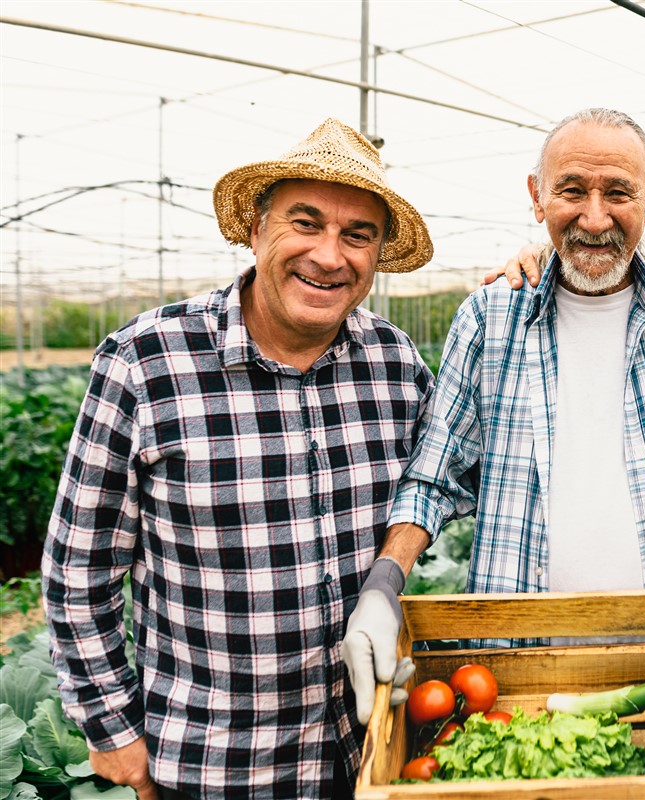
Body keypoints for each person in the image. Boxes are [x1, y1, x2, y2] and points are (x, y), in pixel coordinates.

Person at [338, 107, 645, 696]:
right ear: (537, 197)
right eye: (572, 190)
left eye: (619, 192)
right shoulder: (490, 321)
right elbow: (433, 478)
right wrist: (386, 582)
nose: (595, 218)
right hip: (517, 671)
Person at [42, 119, 436, 799]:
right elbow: (80, 570)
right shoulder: (147, 360)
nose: (329, 255)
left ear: (376, 255)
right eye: (304, 223)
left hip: (370, 753)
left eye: (357, 235)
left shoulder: (395, 364)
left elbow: (441, 481)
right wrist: (112, 731)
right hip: (218, 767)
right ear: (256, 229)